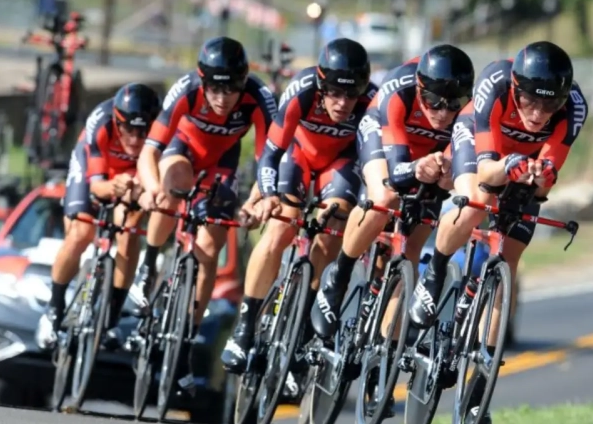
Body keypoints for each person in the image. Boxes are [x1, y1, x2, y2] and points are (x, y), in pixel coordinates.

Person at [408, 40, 589, 424]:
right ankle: (435, 271)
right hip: (481, 148)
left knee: (508, 263)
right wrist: (511, 165)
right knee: (475, 202)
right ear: (515, 89)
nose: (538, 114)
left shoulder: (574, 108)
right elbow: (489, 171)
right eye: (528, 102)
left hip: (523, 167)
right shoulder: (494, 81)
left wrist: (539, 178)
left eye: (549, 105)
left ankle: (478, 390)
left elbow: (543, 187)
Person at [220, 38, 377, 375]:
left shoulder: (371, 102)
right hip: (298, 156)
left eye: (351, 95)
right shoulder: (302, 90)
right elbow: (271, 153)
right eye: (335, 92)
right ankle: (245, 327)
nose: (343, 102)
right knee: (279, 228)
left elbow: (373, 163)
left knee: (331, 231)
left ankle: (303, 328)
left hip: (340, 164)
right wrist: (268, 193)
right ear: (322, 85)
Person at [136, 36, 276, 386]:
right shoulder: (185, 90)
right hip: (182, 150)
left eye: (231, 90)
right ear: (202, 80)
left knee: (210, 250)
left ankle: (187, 336)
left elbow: (269, 162)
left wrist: (256, 200)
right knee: (173, 186)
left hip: (222, 163)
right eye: (214, 88)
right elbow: (149, 151)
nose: (222, 97)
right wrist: (153, 189)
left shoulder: (259, 98)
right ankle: (149, 263)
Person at [311, 44, 475, 342]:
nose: (442, 112)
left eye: (454, 104)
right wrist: (419, 169)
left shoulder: (468, 113)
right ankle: (340, 275)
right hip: (385, 139)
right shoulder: (399, 89)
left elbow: (457, 169)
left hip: (428, 156)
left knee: (412, 246)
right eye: (433, 102)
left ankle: (387, 343)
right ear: (419, 88)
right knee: (384, 198)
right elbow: (397, 172)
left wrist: (445, 173)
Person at [36, 82, 161, 350]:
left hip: (132, 173)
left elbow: (148, 180)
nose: (136, 139)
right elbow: (96, 185)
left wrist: (135, 191)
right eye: (129, 129)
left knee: (129, 231)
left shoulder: (159, 133)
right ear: (117, 121)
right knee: (81, 232)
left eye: (143, 132)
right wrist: (113, 186)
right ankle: (54, 309)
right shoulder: (101, 122)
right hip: (94, 168)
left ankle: (111, 319)